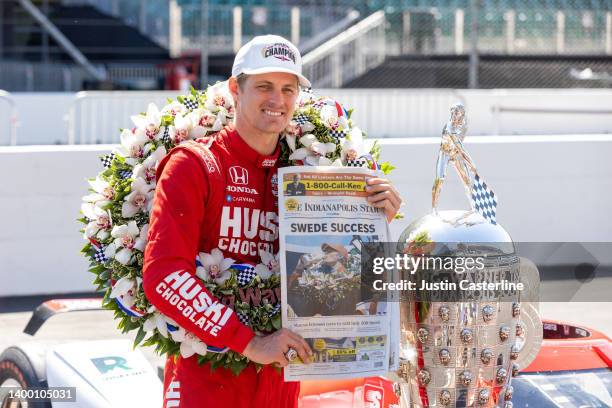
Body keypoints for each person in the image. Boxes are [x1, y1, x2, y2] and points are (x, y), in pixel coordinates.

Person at [142, 34, 402, 408]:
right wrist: (251, 343)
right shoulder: (194, 165)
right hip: (207, 381)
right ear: (235, 89)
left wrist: (370, 225)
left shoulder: (309, 174)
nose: (277, 100)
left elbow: (339, 281)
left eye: (288, 89)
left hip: (283, 379)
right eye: (264, 86)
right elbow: (164, 276)